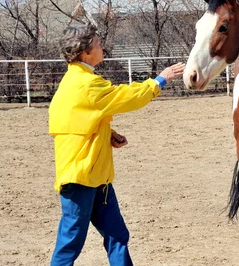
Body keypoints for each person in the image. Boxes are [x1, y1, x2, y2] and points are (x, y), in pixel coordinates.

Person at [48, 23, 185, 266]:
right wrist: (160, 81)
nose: (102, 47)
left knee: (117, 235)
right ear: (85, 52)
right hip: (80, 178)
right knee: (70, 244)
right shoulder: (85, 84)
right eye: (98, 44)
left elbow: (75, 120)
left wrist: (106, 133)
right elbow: (125, 97)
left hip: (97, 177)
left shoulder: (77, 80)